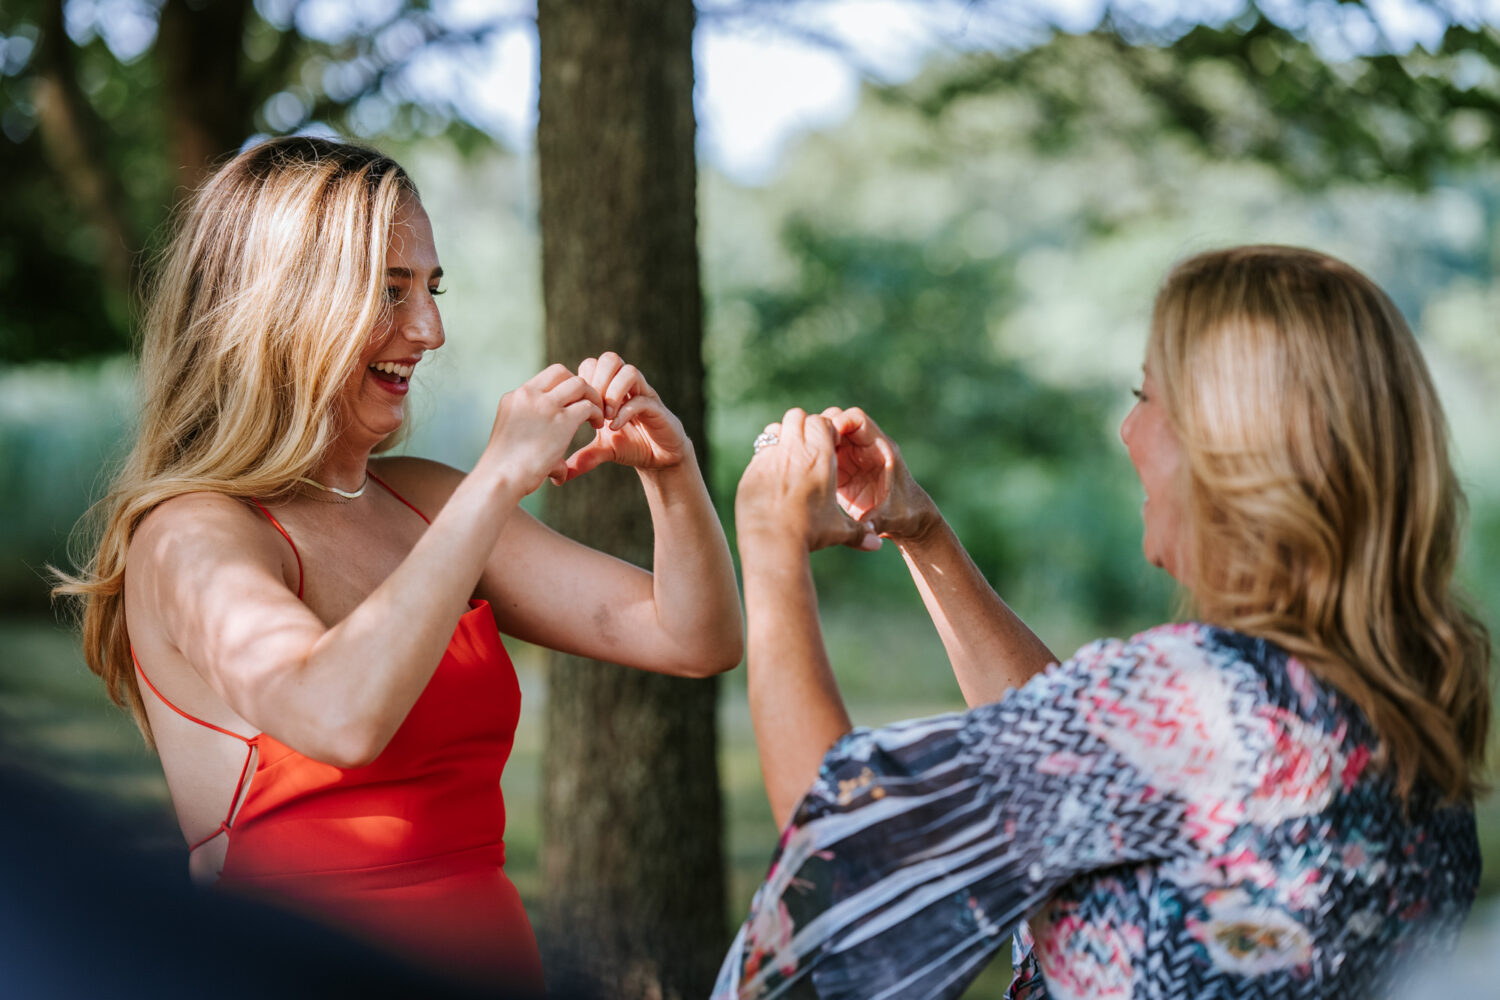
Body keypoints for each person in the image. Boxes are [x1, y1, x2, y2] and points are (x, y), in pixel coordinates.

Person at [53, 136, 743, 993]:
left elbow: (695, 637)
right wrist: (496, 479)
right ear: (282, 307)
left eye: (431, 288)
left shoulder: (425, 502)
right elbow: (336, 717)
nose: (431, 329)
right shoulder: (193, 536)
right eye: (390, 290)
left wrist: (670, 476)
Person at [717, 245, 1490, 999]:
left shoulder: (1195, 697)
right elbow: (1074, 759)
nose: (1128, 432)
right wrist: (923, 533)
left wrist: (769, 540)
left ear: (1233, 446)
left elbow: (837, 845)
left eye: (1147, 397)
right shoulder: (1402, 719)